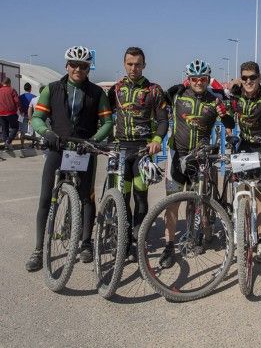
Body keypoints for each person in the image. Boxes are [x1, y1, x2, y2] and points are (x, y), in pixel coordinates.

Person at [25, 46, 113, 271]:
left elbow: (107, 123)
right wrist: (46, 133)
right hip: (58, 147)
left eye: (83, 66)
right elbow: (38, 117)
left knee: (87, 198)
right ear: (67, 66)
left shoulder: (97, 93)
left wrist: (93, 141)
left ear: (88, 68)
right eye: (74, 65)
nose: (78, 69)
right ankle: (38, 249)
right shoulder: (52, 89)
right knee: (46, 197)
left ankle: (85, 243)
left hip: (85, 149)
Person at [160, 59, 235, 268]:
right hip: (177, 154)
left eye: (203, 79)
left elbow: (230, 123)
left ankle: (192, 236)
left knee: (196, 201)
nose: (199, 82)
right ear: (189, 78)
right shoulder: (177, 94)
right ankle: (169, 245)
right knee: (172, 203)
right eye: (195, 79)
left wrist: (225, 115)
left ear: (208, 79)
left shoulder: (215, 98)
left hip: (201, 157)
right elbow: (156, 101)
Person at [108, 47, 168, 261]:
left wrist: (157, 140)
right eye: (130, 64)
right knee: (122, 198)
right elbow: (105, 118)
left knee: (140, 197)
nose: (134, 68)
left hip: (143, 151)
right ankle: (123, 239)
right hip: (121, 151)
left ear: (144, 65)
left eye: (138, 64)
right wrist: (104, 142)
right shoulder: (115, 89)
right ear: (124, 64)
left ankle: (138, 238)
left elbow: (163, 120)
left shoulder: (154, 90)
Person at [226, 61, 261, 262]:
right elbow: (223, 109)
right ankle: (240, 232)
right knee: (241, 192)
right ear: (241, 78)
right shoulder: (237, 93)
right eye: (245, 78)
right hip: (244, 147)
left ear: (259, 77)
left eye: (253, 77)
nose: (249, 81)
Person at [0, 77, 21, 151]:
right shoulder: (12, 90)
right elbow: (17, 101)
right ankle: (8, 142)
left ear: (3, 83)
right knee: (15, 127)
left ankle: (6, 145)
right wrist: (19, 109)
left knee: (4, 129)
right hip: (11, 113)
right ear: (9, 83)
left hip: (1, 114)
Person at [18, 82, 36, 147]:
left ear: (24, 88)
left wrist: (21, 112)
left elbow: (18, 105)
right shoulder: (34, 97)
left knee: (22, 130)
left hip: (22, 115)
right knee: (32, 130)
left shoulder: (20, 97)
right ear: (30, 89)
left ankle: (22, 145)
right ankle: (33, 143)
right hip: (32, 115)